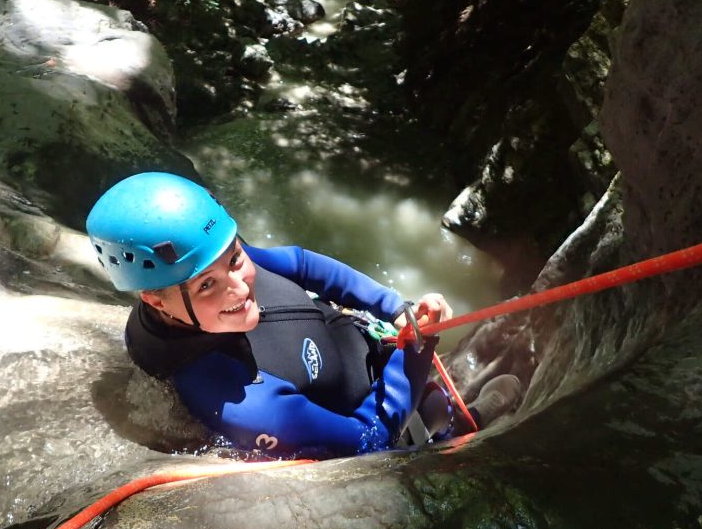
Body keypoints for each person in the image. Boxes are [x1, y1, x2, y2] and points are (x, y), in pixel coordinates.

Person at [86, 172, 522, 457]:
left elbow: (302, 264)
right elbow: (366, 439)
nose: (241, 288)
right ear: (156, 302)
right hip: (378, 410)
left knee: (430, 398)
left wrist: (394, 307)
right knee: (431, 416)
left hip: (363, 350)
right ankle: (458, 431)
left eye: (235, 259)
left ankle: (446, 413)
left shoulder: (205, 264)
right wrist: (414, 352)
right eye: (206, 286)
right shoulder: (237, 400)